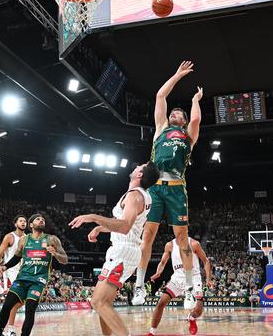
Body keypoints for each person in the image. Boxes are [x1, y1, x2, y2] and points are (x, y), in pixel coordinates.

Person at [133, 61, 203, 309]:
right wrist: (177, 75)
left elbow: (195, 120)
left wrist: (195, 101)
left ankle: (189, 290)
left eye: (178, 114)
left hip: (176, 188)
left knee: (181, 240)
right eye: (172, 113)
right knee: (148, 236)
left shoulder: (189, 136)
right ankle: (139, 286)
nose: (173, 114)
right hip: (155, 188)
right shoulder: (160, 128)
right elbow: (160, 95)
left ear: (182, 121)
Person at [69, 161, 160, 336]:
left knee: (98, 302)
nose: (134, 168)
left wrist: (94, 217)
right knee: (105, 304)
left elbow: (125, 226)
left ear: (140, 174)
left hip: (123, 251)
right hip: (124, 250)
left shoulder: (135, 196)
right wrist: (100, 228)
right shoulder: (141, 195)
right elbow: (127, 224)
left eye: (138, 167)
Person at [0, 214, 68, 336]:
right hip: (22, 278)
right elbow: (17, 257)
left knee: (30, 309)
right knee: (7, 305)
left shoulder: (52, 239)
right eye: (38, 219)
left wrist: (55, 254)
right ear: (31, 225)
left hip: (38, 281)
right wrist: (4, 266)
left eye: (43, 219)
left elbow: (65, 259)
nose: (41, 220)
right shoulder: (24, 240)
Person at [147, 237, 212, 336]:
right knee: (161, 303)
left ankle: (192, 317)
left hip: (194, 277)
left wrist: (208, 279)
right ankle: (152, 331)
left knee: (198, 309)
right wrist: (158, 272)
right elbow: (163, 262)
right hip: (177, 278)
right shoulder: (170, 245)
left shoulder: (194, 244)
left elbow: (206, 261)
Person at [0, 215, 27, 336]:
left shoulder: (28, 238)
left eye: (25, 221)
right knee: (13, 302)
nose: (23, 222)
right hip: (10, 272)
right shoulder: (10, 237)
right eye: (21, 221)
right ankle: (9, 329)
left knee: (20, 301)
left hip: (23, 272)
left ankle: (8, 328)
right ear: (15, 224)